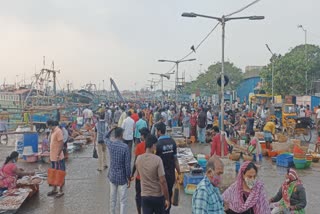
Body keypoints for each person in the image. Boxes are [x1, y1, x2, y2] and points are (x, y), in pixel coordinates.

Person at [136, 135, 170, 214]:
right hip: (157, 196)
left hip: (145, 196)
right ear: (153, 145)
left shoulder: (139, 159)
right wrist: (167, 198)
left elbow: (139, 174)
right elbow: (163, 181)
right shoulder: (157, 159)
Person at [155, 122, 181, 214]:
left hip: (160, 176)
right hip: (170, 176)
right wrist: (179, 173)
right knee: (168, 195)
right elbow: (175, 160)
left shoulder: (157, 144)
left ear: (158, 131)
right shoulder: (172, 142)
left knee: (160, 196)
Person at [105, 127, 131, 214]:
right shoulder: (125, 147)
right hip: (122, 177)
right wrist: (129, 177)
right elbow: (127, 164)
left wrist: (111, 129)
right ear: (121, 135)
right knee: (122, 201)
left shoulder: (111, 144)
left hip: (112, 176)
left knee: (112, 199)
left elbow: (105, 137)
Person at [131, 127, 150, 214]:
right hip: (150, 176)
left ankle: (139, 212)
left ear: (143, 136)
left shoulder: (139, 146)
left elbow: (135, 162)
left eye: (140, 135)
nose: (140, 136)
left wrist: (132, 174)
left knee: (138, 196)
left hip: (140, 176)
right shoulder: (153, 145)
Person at [47, 120, 65, 198]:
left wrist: (58, 155)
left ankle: (60, 190)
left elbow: (61, 143)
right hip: (53, 157)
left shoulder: (58, 131)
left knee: (60, 174)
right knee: (53, 174)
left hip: (58, 158)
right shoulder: (52, 132)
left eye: (47, 126)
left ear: (50, 125)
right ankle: (54, 189)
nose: (47, 127)